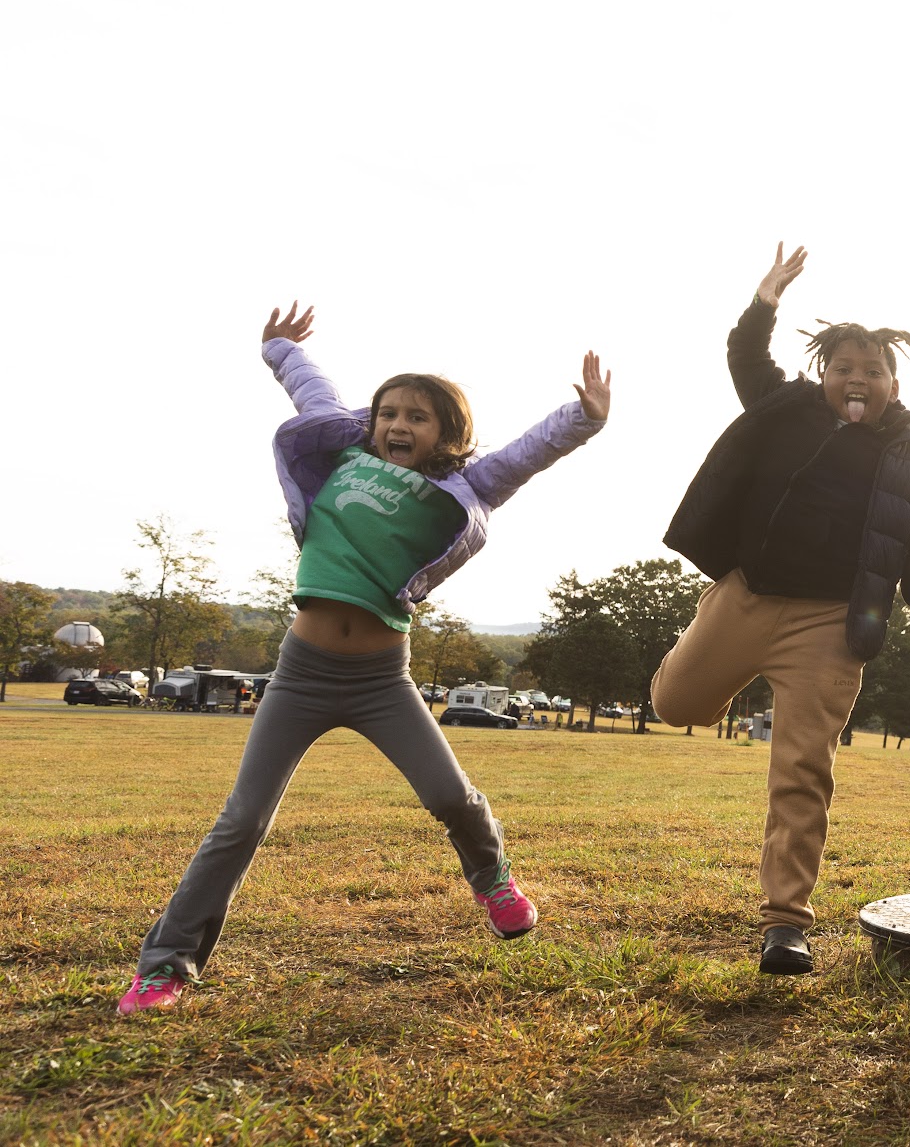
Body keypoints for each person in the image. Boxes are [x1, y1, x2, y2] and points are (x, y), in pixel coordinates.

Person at [119, 301, 610, 1015]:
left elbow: (524, 455)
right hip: (301, 672)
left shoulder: (463, 489)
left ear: (446, 432)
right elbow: (311, 390)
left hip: (383, 677)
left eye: (417, 416)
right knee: (242, 820)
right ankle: (166, 964)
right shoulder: (341, 451)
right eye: (388, 412)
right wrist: (280, 349)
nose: (398, 424)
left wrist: (584, 419)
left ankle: (493, 875)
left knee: (449, 795)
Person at [649, 245, 910, 976]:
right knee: (676, 704)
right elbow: (744, 355)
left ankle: (785, 922)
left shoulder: (905, 458)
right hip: (747, 597)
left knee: (802, 769)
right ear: (822, 376)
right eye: (844, 370)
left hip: (829, 627)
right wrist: (766, 297)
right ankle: (691, 662)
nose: (857, 380)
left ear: (895, 384)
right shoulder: (785, 409)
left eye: (873, 371)